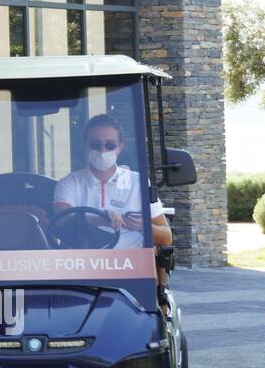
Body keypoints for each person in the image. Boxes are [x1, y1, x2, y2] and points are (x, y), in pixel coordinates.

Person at [52, 113, 174, 303]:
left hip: (130, 269)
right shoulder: (69, 183)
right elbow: (61, 221)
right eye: (95, 145)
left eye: (109, 145)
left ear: (120, 146)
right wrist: (98, 219)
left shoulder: (139, 183)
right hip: (81, 269)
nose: (102, 151)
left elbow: (166, 237)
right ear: (85, 145)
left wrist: (143, 226)